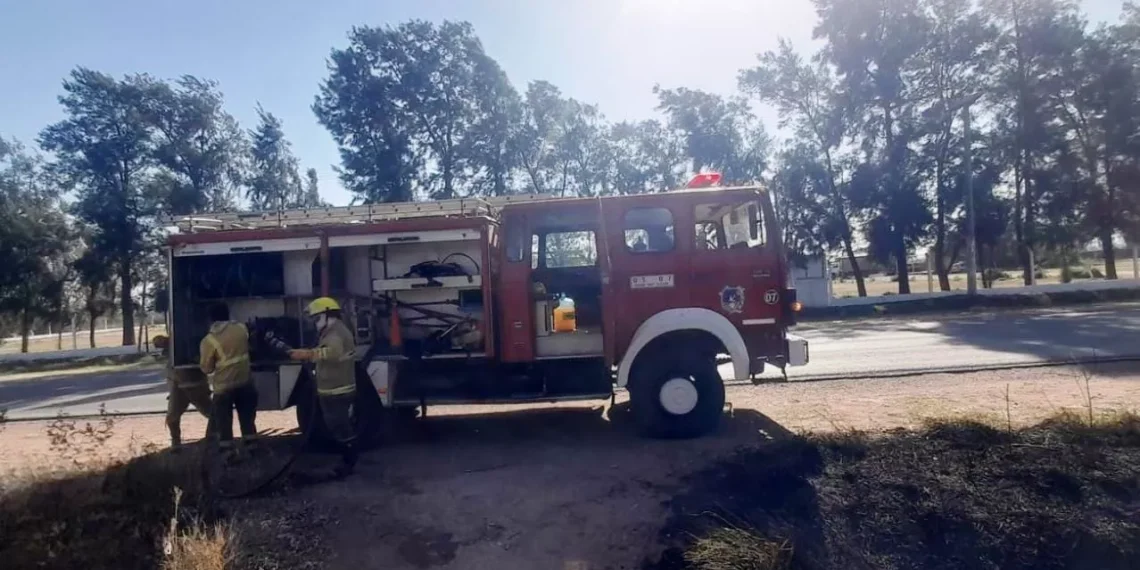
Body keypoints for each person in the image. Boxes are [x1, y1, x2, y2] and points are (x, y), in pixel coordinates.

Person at [288, 297, 358, 476]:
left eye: (316, 318)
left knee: (338, 425)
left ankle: (349, 460)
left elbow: (331, 353)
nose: (315, 323)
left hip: (337, 389)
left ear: (327, 315)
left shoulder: (335, 334)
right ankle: (348, 457)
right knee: (338, 425)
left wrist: (306, 354)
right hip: (334, 388)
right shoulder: (333, 331)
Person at [199, 303, 257, 446]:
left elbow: (207, 369)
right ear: (228, 314)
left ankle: (228, 454)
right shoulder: (241, 329)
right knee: (248, 420)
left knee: (224, 425)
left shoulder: (209, 340)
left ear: (210, 319)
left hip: (223, 389)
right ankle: (252, 449)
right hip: (245, 382)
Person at [153, 333, 212, 448]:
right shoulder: (174, 342)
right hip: (178, 386)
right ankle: (176, 442)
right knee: (172, 418)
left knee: (212, 413)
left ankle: (214, 436)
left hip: (194, 385)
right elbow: (158, 341)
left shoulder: (194, 342)